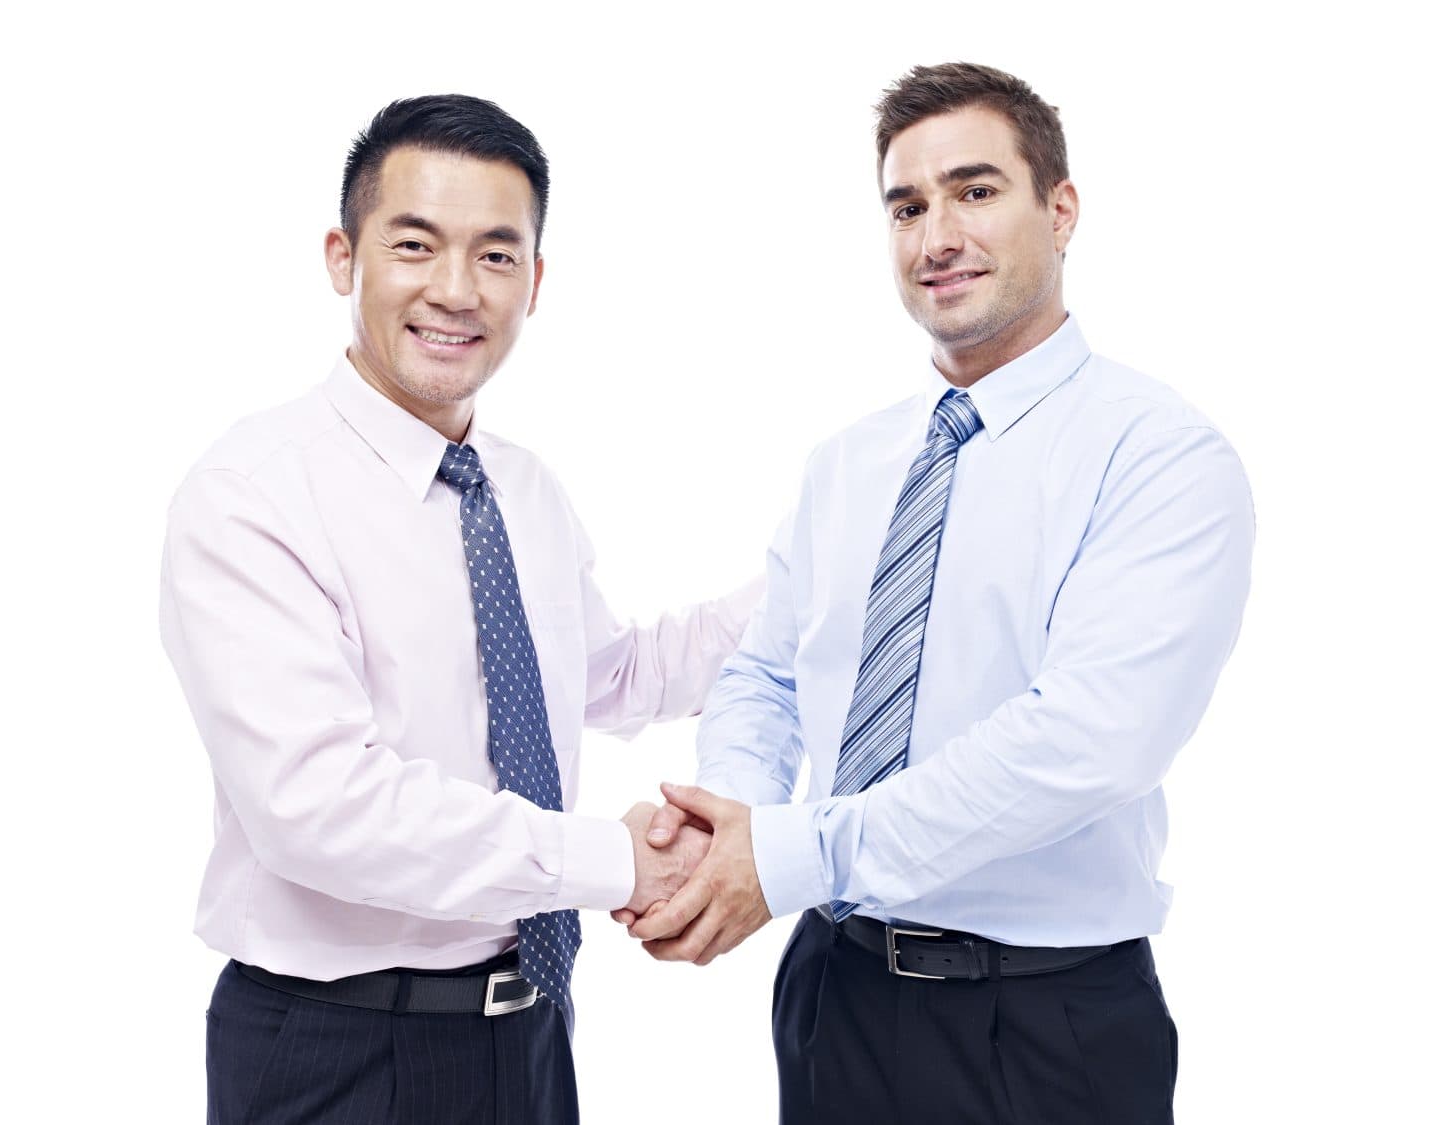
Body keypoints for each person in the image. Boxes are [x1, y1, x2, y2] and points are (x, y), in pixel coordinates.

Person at [623, 62, 1254, 1124]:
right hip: (836, 988)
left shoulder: (1159, 457)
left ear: (1061, 211)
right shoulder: (850, 462)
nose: (936, 236)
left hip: (1041, 1024)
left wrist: (791, 856)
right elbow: (769, 671)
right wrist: (733, 813)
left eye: (975, 191)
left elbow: (1087, 740)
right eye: (907, 207)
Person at [160, 94, 755, 1125]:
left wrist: (814, 589)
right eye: (414, 245)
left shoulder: (519, 487)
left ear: (535, 281)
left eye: (494, 254)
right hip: (335, 1052)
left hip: (526, 1034)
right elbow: (318, 807)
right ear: (343, 258)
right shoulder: (252, 493)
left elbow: (609, 676)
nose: (454, 289)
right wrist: (612, 860)